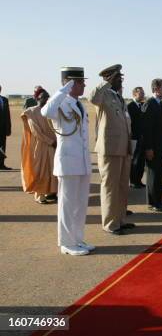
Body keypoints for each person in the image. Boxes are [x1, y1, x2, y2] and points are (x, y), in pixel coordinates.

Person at [41, 67, 94, 256]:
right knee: (67, 203)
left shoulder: (80, 105)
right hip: (68, 162)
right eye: (79, 82)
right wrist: (63, 89)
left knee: (80, 204)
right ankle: (66, 242)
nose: (84, 85)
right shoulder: (60, 104)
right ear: (69, 82)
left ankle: (77, 239)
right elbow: (46, 111)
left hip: (82, 162)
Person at [90, 64, 133, 235]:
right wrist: (105, 83)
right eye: (117, 78)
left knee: (122, 186)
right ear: (108, 79)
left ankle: (120, 219)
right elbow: (92, 98)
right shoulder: (103, 95)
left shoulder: (118, 96)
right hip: (109, 149)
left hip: (123, 148)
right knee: (110, 187)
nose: (120, 80)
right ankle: (110, 224)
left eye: (121, 77)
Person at [20, 87, 58, 204]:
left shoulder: (51, 110)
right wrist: (50, 141)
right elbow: (36, 131)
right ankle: (39, 195)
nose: (46, 99)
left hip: (53, 146)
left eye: (47, 97)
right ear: (37, 98)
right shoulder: (31, 112)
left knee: (51, 170)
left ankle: (50, 192)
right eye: (43, 97)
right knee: (39, 170)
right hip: (39, 146)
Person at [142, 79, 162, 212]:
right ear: (156, 89)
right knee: (153, 175)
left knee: (159, 175)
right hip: (152, 147)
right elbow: (146, 129)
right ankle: (153, 202)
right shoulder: (149, 104)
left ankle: (158, 201)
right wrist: (148, 148)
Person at [127, 86, 146, 189]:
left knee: (141, 161)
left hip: (143, 138)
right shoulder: (130, 106)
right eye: (141, 93)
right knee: (135, 161)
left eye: (143, 93)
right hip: (134, 138)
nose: (143, 95)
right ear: (134, 94)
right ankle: (133, 181)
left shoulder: (143, 105)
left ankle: (139, 180)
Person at [0, 84, 12, 170]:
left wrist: (9, 128)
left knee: (3, 146)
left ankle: (1, 165)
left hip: (3, 129)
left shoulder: (4, 100)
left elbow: (8, 115)